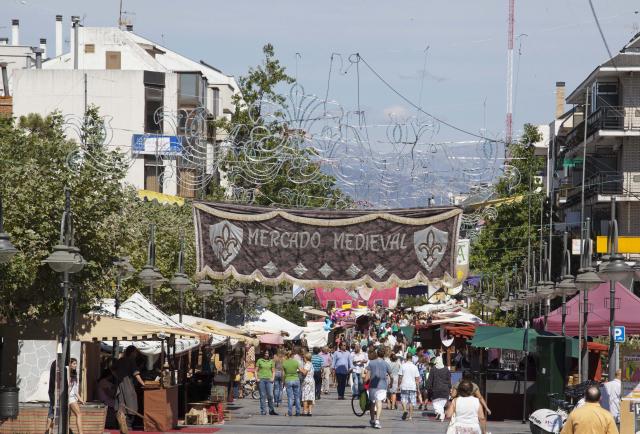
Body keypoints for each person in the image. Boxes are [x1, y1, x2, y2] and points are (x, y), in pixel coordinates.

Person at [114, 346, 145, 432]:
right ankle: (128, 426)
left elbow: (112, 369)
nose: (136, 354)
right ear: (132, 353)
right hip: (128, 385)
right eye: (135, 353)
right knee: (131, 403)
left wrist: (118, 378)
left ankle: (123, 425)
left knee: (122, 403)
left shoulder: (120, 360)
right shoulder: (131, 360)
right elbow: (136, 375)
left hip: (120, 385)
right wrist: (144, 384)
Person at [364, 347, 392, 430]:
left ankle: (372, 419)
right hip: (382, 386)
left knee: (372, 403)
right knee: (379, 402)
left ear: (377, 354)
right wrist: (390, 383)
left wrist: (364, 384)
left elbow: (367, 377)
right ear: (384, 354)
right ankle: (377, 420)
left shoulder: (371, 363)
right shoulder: (386, 363)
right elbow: (391, 375)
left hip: (372, 386)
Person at [427, 355, 451, 421]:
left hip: (436, 389)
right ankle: (441, 414)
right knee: (442, 404)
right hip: (445, 389)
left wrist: (428, 387)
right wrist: (450, 388)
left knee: (435, 403)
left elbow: (430, 380)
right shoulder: (446, 369)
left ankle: (439, 413)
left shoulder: (433, 369)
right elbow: (449, 380)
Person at [398, 354, 420, 421]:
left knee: (403, 399)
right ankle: (410, 417)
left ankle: (405, 410)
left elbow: (400, 377)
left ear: (406, 358)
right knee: (411, 402)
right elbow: (417, 379)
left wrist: (398, 385)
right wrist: (418, 388)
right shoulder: (415, 367)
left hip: (404, 385)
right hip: (412, 386)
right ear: (411, 358)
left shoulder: (403, 366)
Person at [256, 349, 278, 416]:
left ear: (269, 354)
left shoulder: (271, 361)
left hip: (269, 380)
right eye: (265, 353)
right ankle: (263, 411)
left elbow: (273, 371)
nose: (266, 354)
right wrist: (257, 378)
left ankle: (271, 410)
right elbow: (256, 370)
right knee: (262, 396)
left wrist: (273, 378)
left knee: (270, 395)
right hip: (261, 379)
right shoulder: (259, 360)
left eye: (268, 353)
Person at [282, 350, 301, 416]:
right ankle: (298, 412)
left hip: (288, 380)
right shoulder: (296, 362)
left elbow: (283, 374)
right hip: (296, 379)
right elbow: (300, 370)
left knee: (290, 397)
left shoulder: (284, 363)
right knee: (297, 397)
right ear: (292, 355)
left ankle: (290, 412)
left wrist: (283, 382)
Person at [68, 358, 85, 434]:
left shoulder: (74, 374)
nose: (75, 365)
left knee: (70, 415)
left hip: (72, 397)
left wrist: (80, 399)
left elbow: (75, 390)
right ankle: (80, 433)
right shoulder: (68, 374)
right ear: (70, 364)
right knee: (78, 414)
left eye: (76, 363)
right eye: (74, 363)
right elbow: (69, 388)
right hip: (70, 398)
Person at [45, 360, 56, 434]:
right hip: (54, 393)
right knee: (52, 414)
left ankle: (48, 431)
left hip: (52, 392)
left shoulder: (55, 363)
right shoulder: (57, 364)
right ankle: (48, 431)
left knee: (51, 414)